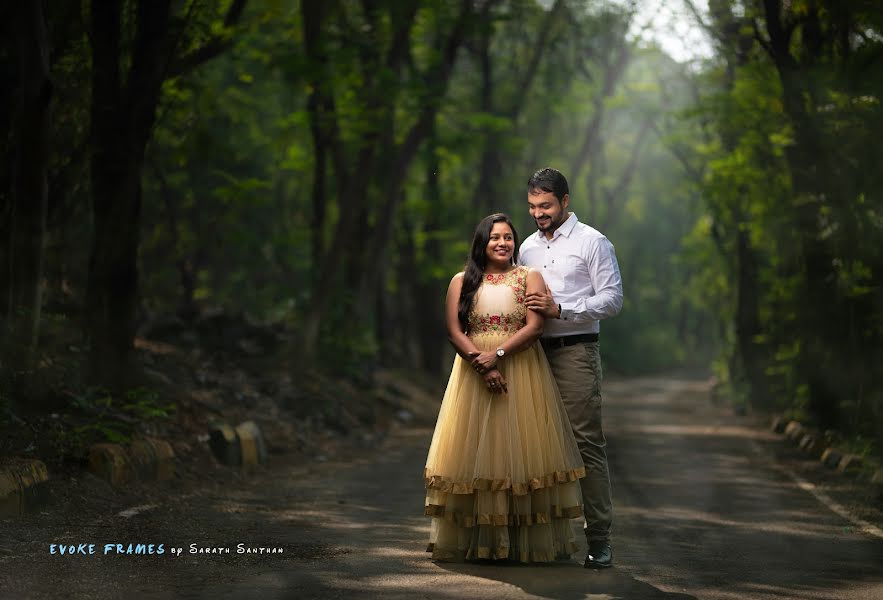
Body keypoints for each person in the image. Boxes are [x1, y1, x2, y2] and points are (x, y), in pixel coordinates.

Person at [423, 213, 586, 563]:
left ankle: (520, 542)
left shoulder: (530, 277)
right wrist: (482, 366)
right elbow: (454, 330)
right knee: (475, 452)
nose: (503, 243)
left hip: (521, 370)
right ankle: (478, 543)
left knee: (523, 451)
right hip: (472, 373)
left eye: (509, 237)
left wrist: (496, 356)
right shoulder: (461, 280)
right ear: (482, 242)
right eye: (495, 237)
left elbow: (535, 328)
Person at [518, 167, 623, 569]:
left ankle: (599, 540)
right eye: (532, 206)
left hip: (577, 352)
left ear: (565, 201)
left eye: (545, 205)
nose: (538, 213)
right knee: (534, 443)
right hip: (533, 354)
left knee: (585, 444)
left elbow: (612, 299)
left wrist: (562, 309)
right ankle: (540, 539)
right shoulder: (525, 248)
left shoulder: (592, 242)